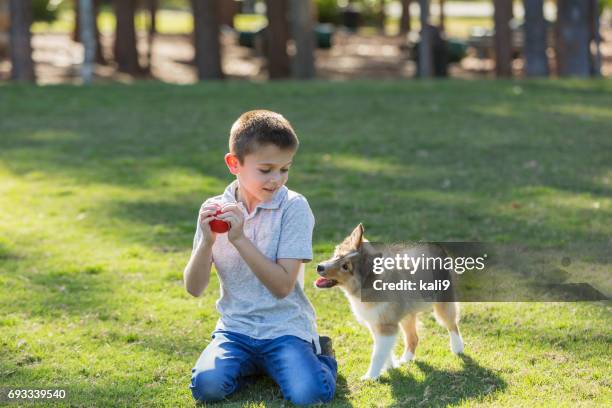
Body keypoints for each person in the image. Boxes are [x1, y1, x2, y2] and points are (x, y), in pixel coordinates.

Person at [184, 110, 337, 405]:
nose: (277, 179)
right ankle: (256, 365)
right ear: (234, 164)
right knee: (207, 389)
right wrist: (205, 243)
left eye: (285, 169)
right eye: (266, 170)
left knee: (308, 396)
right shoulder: (215, 208)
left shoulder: (294, 208)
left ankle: (322, 357)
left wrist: (239, 239)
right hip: (235, 330)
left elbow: (281, 287)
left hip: (285, 328)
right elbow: (194, 288)